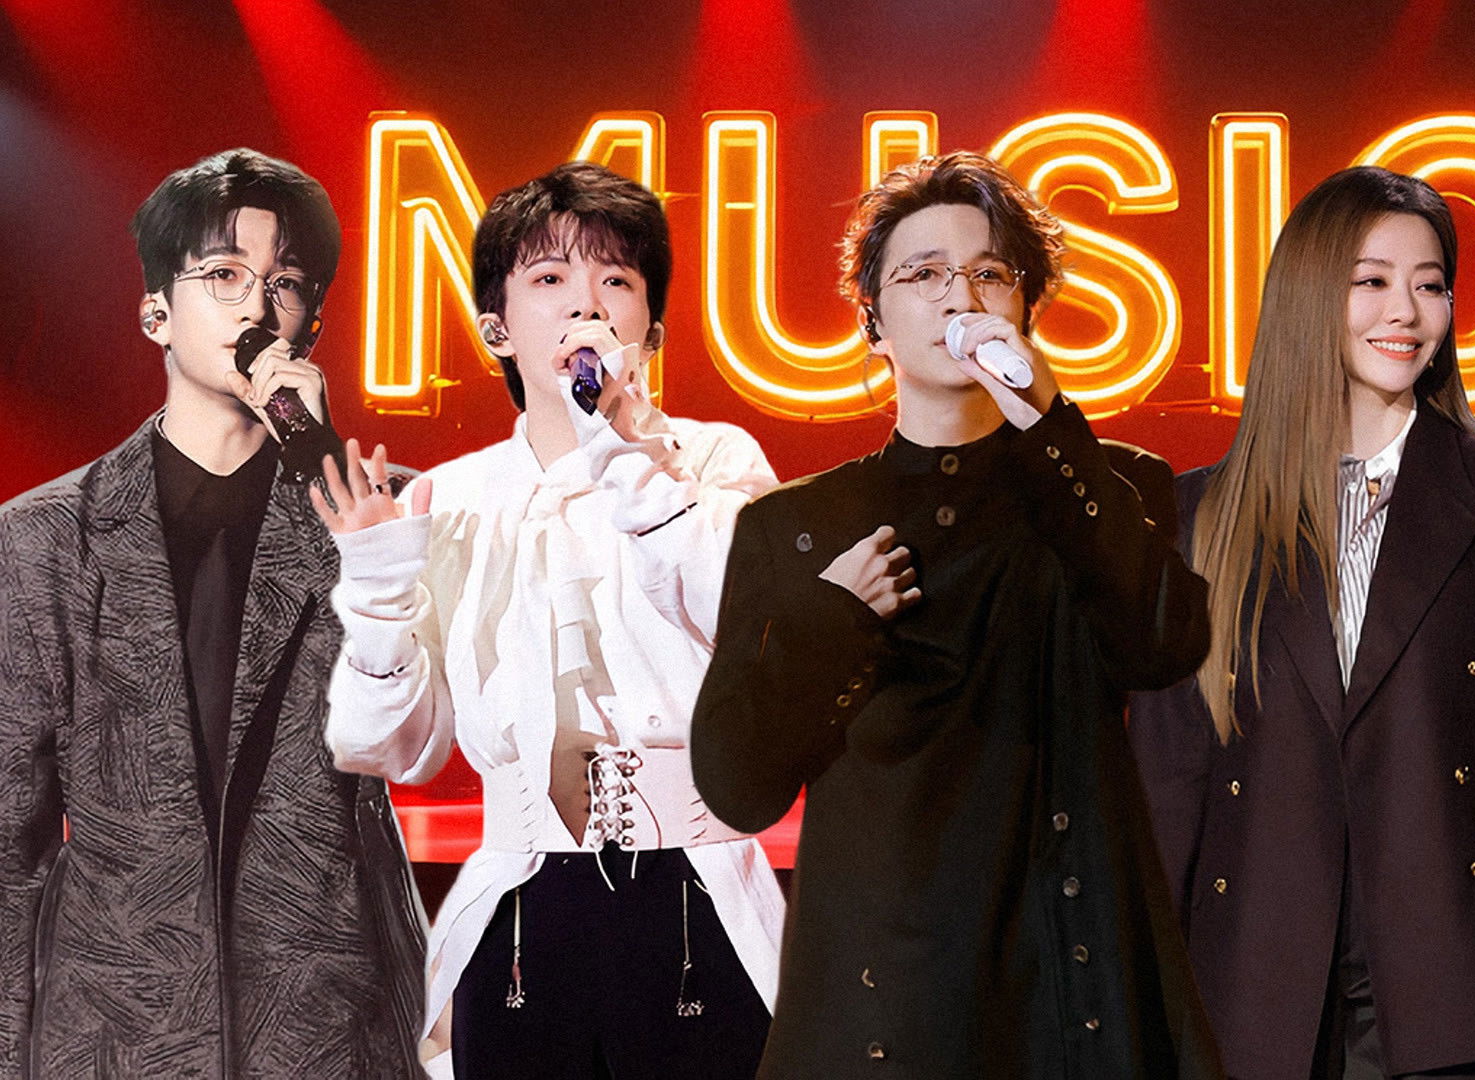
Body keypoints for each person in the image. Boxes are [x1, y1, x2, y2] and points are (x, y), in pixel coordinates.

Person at [689, 150, 1222, 1078]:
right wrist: (835, 620)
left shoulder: (1106, 484)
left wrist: (1050, 420)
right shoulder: (796, 525)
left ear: (1025, 309)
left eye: (988, 274)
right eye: (923, 274)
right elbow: (737, 786)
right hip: (884, 999)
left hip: (1064, 981)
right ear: (873, 320)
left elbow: (1164, 644)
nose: (958, 298)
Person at [1129, 166, 1475, 1080]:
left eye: (1430, 284)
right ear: (1307, 297)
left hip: (1453, 983)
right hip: (1249, 982)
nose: (1405, 311)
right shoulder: (1201, 515)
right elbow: (1169, 780)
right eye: (1370, 281)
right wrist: (1127, 997)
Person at [318, 162, 784, 1078]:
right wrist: (377, 590)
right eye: (549, 277)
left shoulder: (713, 460)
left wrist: (633, 459)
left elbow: (754, 635)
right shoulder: (450, 497)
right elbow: (392, 750)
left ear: (650, 329)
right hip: (524, 902)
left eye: (617, 279)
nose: (587, 304)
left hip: (697, 893)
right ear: (497, 326)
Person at [0, 147, 427, 1077]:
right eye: (224, 274)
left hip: (324, 1023)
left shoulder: (384, 515)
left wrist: (325, 471)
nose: (255, 308)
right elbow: (10, 836)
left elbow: (421, 739)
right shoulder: (45, 538)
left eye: (285, 283)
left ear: (311, 323)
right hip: (117, 1030)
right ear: (156, 311)